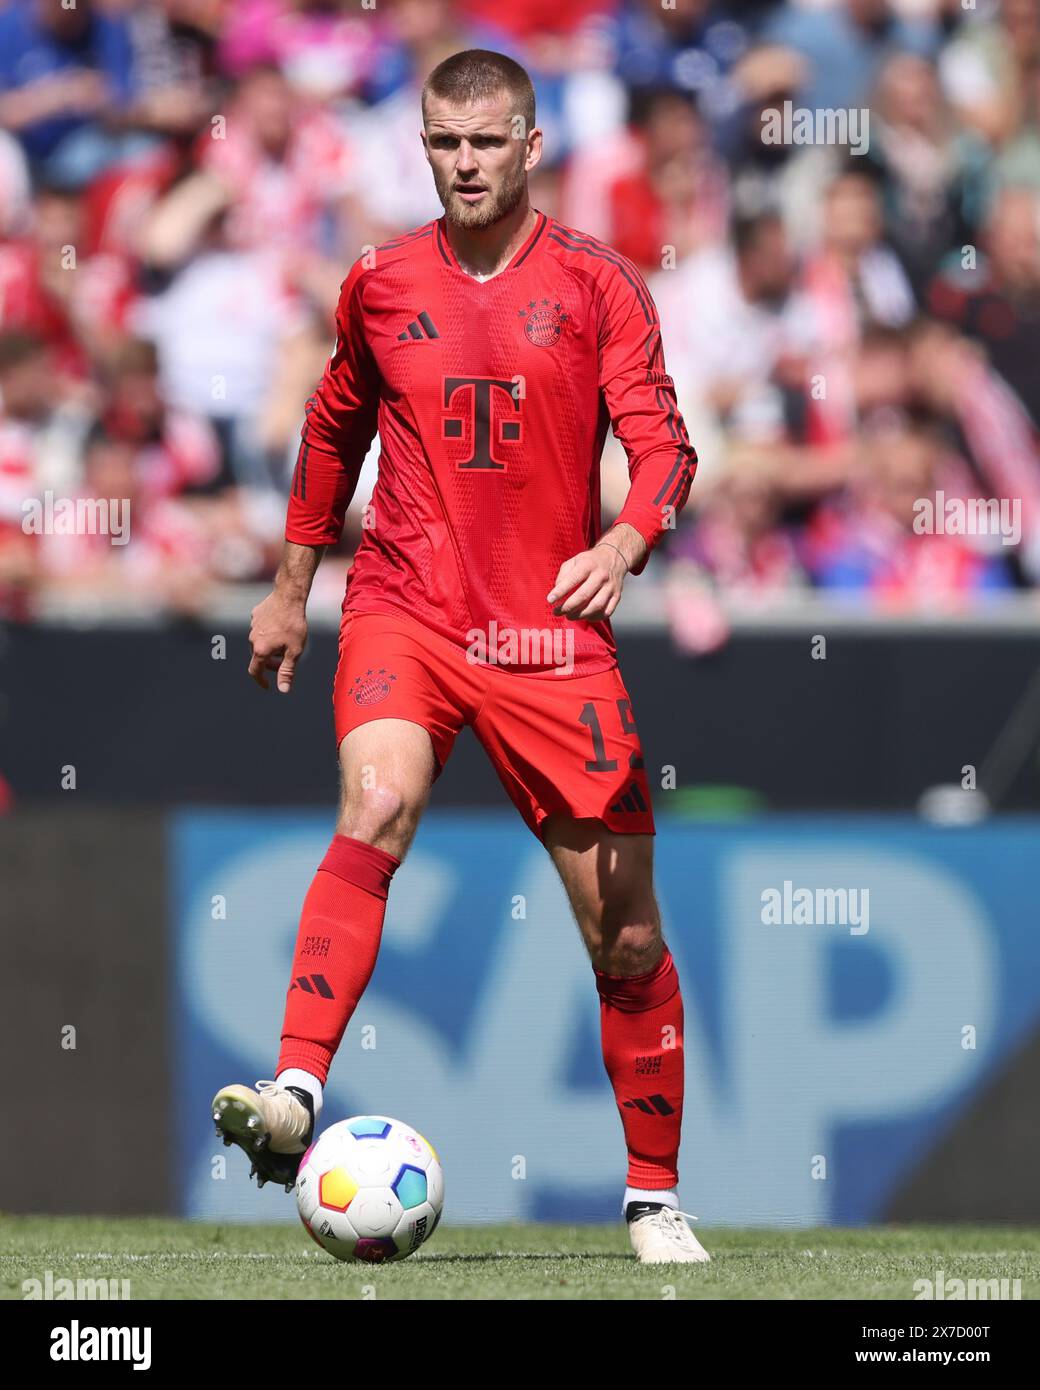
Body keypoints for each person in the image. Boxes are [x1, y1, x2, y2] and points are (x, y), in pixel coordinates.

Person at [211, 49, 704, 1264]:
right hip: (409, 607)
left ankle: (650, 1194)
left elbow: (665, 446)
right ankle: (293, 1093)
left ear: (531, 147)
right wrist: (288, 590)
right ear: (422, 146)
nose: (465, 163)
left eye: (487, 142)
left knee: (625, 933)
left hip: (547, 633)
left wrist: (628, 537)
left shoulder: (597, 285)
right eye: (443, 142)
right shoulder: (378, 282)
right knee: (375, 803)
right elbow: (331, 433)